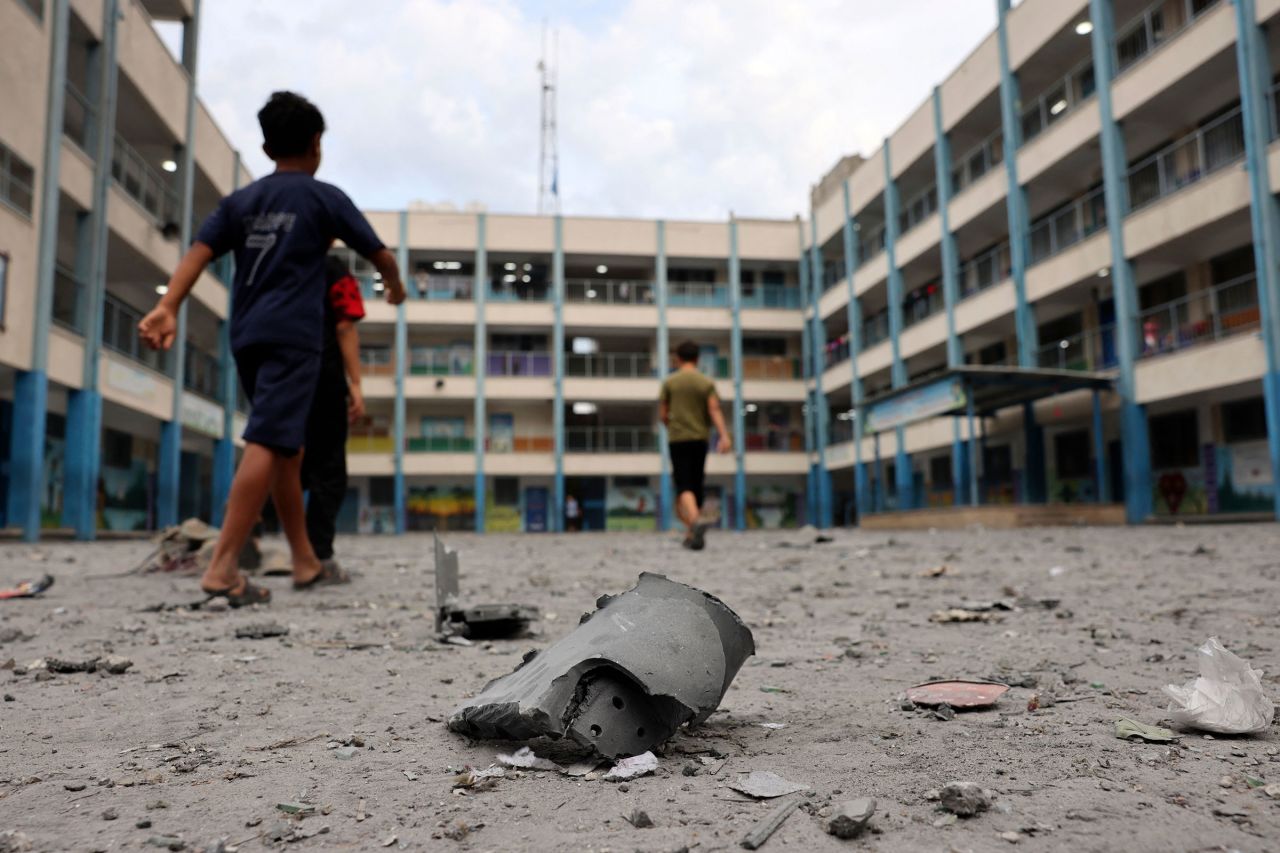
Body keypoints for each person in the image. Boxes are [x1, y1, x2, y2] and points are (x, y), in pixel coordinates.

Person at [139, 91, 405, 606]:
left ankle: (304, 560)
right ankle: (222, 567)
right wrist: (393, 286)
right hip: (293, 337)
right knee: (268, 438)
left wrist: (169, 304)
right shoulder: (323, 197)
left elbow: (199, 251)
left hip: (248, 336)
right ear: (316, 143)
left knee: (287, 446)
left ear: (265, 146)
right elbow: (380, 254)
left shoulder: (241, 202)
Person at [300, 255, 367, 577]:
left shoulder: (278, 261)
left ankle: (247, 539)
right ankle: (317, 555)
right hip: (319, 373)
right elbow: (344, 324)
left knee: (277, 458)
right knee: (328, 470)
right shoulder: (332, 268)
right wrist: (355, 382)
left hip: (272, 370)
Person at [659, 340, 732, 550]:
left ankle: (695, 522)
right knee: (697, 483)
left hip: (678, 438)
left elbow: (663, 414)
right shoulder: (705, 382)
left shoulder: (670, 382)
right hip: (700, 439)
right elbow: (714, 409)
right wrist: (724, 436)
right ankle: (692, 535)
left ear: (678, 359)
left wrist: (671, 425)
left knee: (684, 485)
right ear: (697, 358)